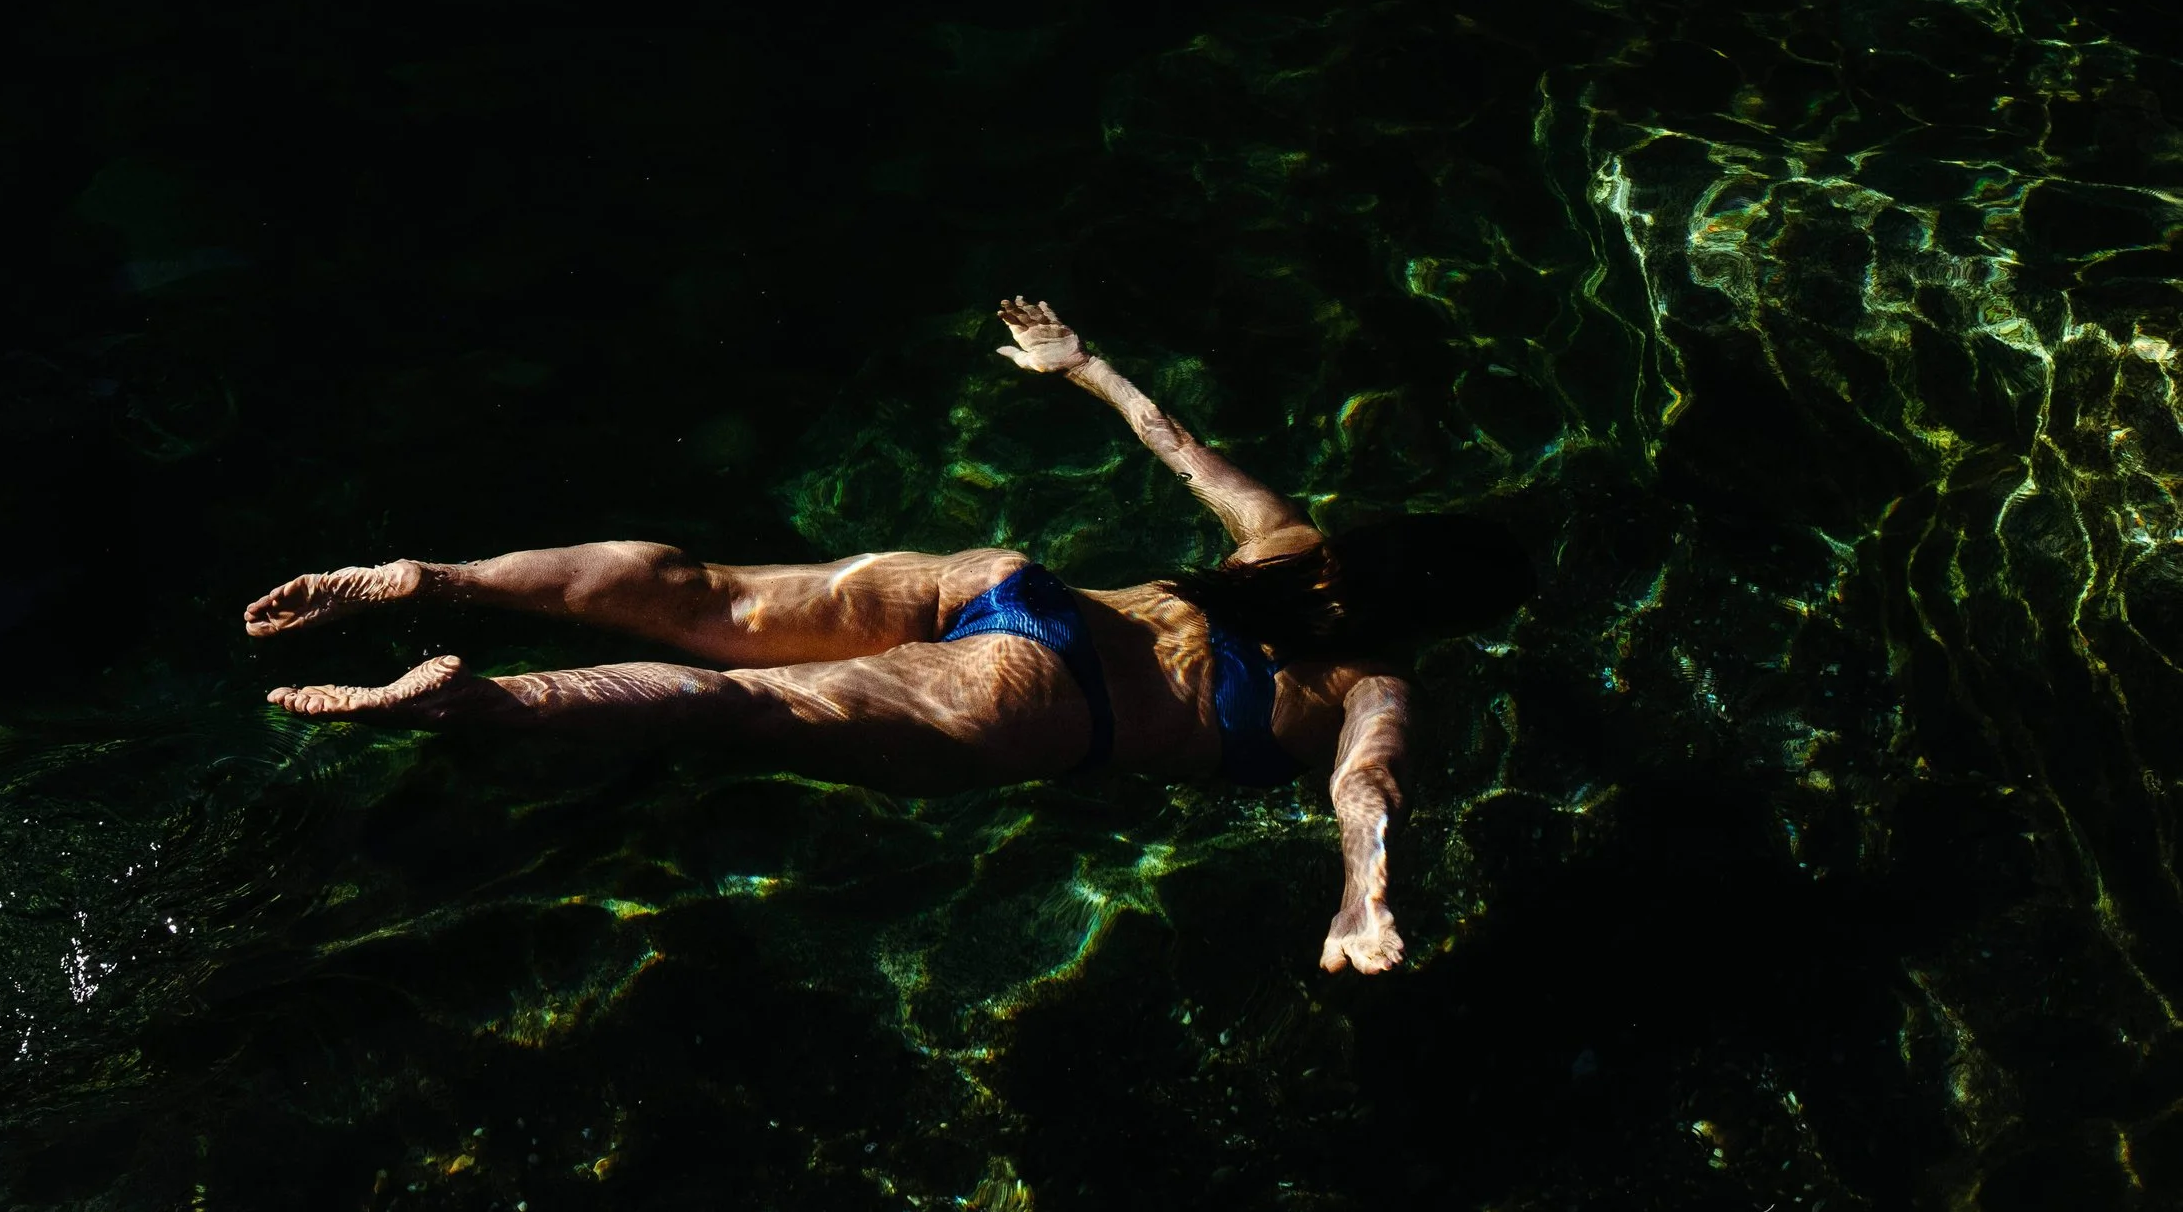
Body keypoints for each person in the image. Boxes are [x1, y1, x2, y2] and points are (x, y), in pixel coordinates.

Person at [243, 301, 1532, 974]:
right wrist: (1364, 902)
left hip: (1008, 589)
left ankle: (441, 576)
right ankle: (476, 704)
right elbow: (1368, 786)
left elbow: (1180, 449)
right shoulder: (1376, 682)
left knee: (706, 596)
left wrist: (1081, 366)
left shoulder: (1288, 550)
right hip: (1040, 696)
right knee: (728, 704)